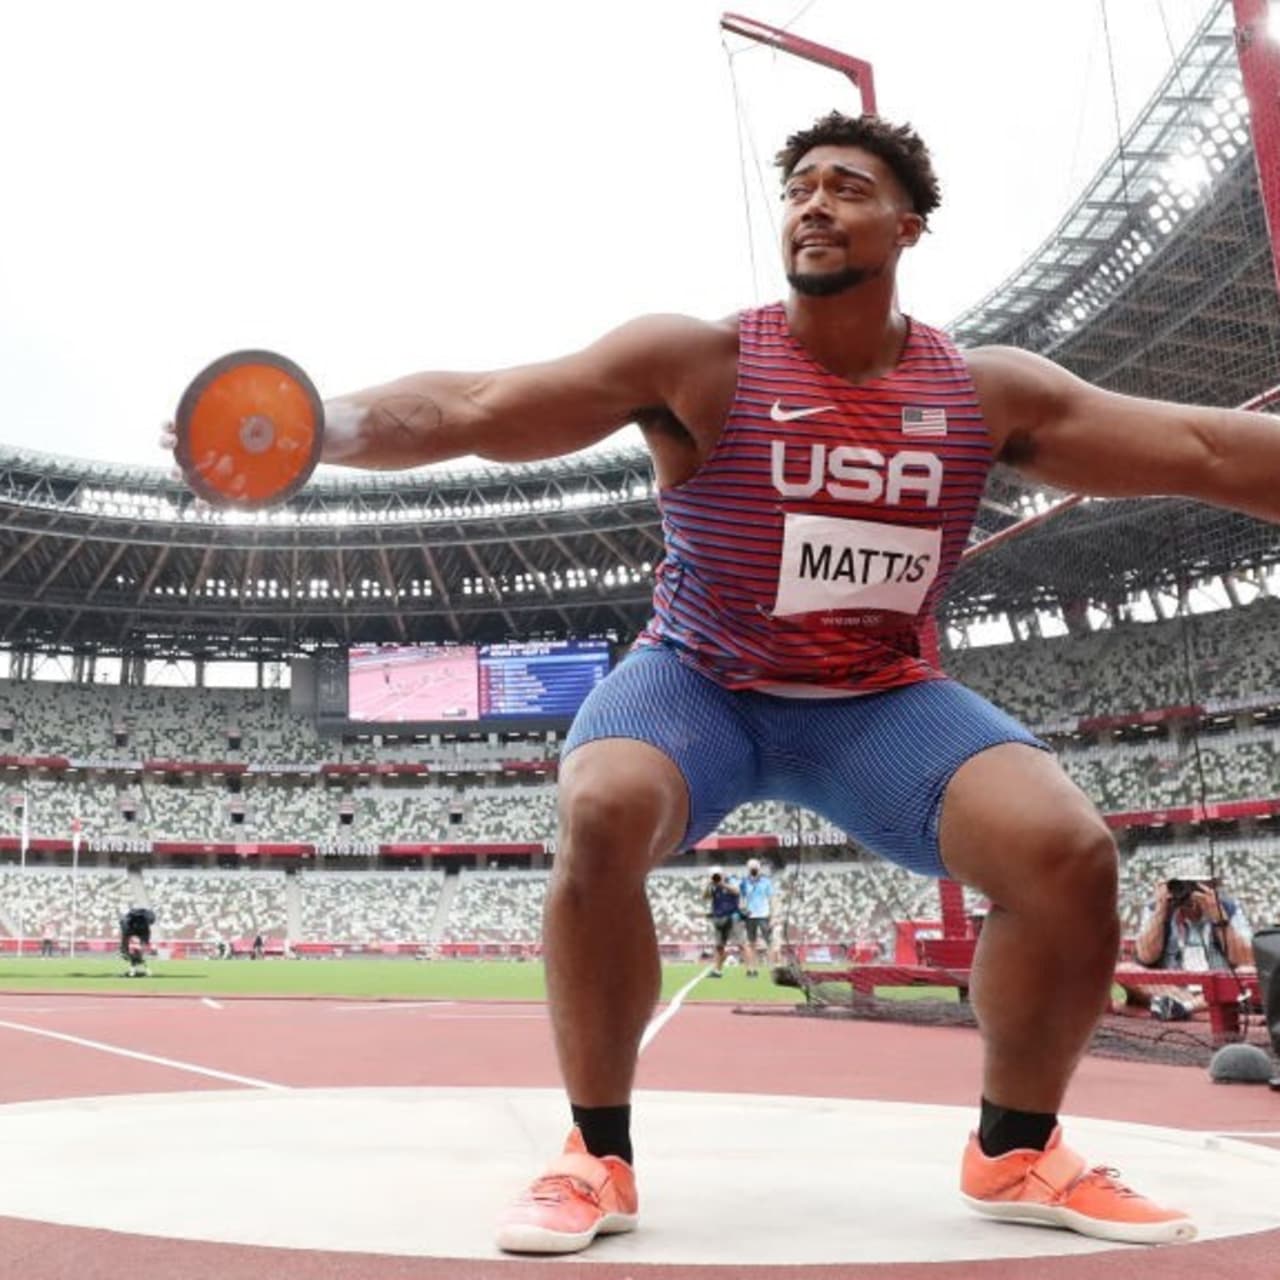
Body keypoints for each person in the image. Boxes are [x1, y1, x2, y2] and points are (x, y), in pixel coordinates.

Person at [163, 108, 1280, 1252]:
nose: (813, 202)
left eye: (846, 186)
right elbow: (479, 407)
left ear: (906, 226)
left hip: (877, 700)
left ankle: (1015, 1151)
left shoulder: (981, 393)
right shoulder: (700, 362)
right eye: (798, 185)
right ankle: (593, 1157)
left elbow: (1195, 449)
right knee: (598, 808)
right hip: (699, 681)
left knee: (1069, 850)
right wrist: (319, 427)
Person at [1118, 859, 1254, 1020]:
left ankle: (1182, 1007)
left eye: (1194, 885)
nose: (1187, 893)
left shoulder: (1228, 908)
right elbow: (1147, 957)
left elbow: (1245, 959)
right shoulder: (1158, 909)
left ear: (1210, 886)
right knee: (1125, 969)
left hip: (1216, 985)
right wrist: (1161, 910)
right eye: (1180, 886)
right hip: (1173, 988)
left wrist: (1220, 920)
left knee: (1248, 973)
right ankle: (1186, 1004)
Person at [737, 857, 776, 976]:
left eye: (755, 867)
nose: (753, 869)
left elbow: (772, 899)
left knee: (769, 942)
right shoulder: (744, 882)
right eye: (751, 867)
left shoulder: (766, 882)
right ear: (748, 869)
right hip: (750, 916)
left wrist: (773, 916)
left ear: (759, 868)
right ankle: (751, 969)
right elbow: (741, 899)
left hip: (764, 915)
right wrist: (742, 914)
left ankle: (772, 969)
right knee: (751, 943)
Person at [702, 865, 740, 977]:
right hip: (718, 918)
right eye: (713, 875)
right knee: (719, 946)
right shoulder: (712, 886)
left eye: (717, 874)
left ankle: (751, 971)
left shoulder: (731, 880)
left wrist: (722, 884)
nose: (716, 877)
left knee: (742, 943)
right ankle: (717, 971)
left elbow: (737, 891)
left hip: (732, 916)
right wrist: (708, 885)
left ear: (722, 874)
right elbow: (705, 897)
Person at [119, 906, 155, 978]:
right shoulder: (131, 922)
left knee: (136, 956)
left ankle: (135, 971)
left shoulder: (132, 922)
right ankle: (136, 971)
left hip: (135, 938)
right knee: (136, 957)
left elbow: (126, 934)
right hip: (135, 937)